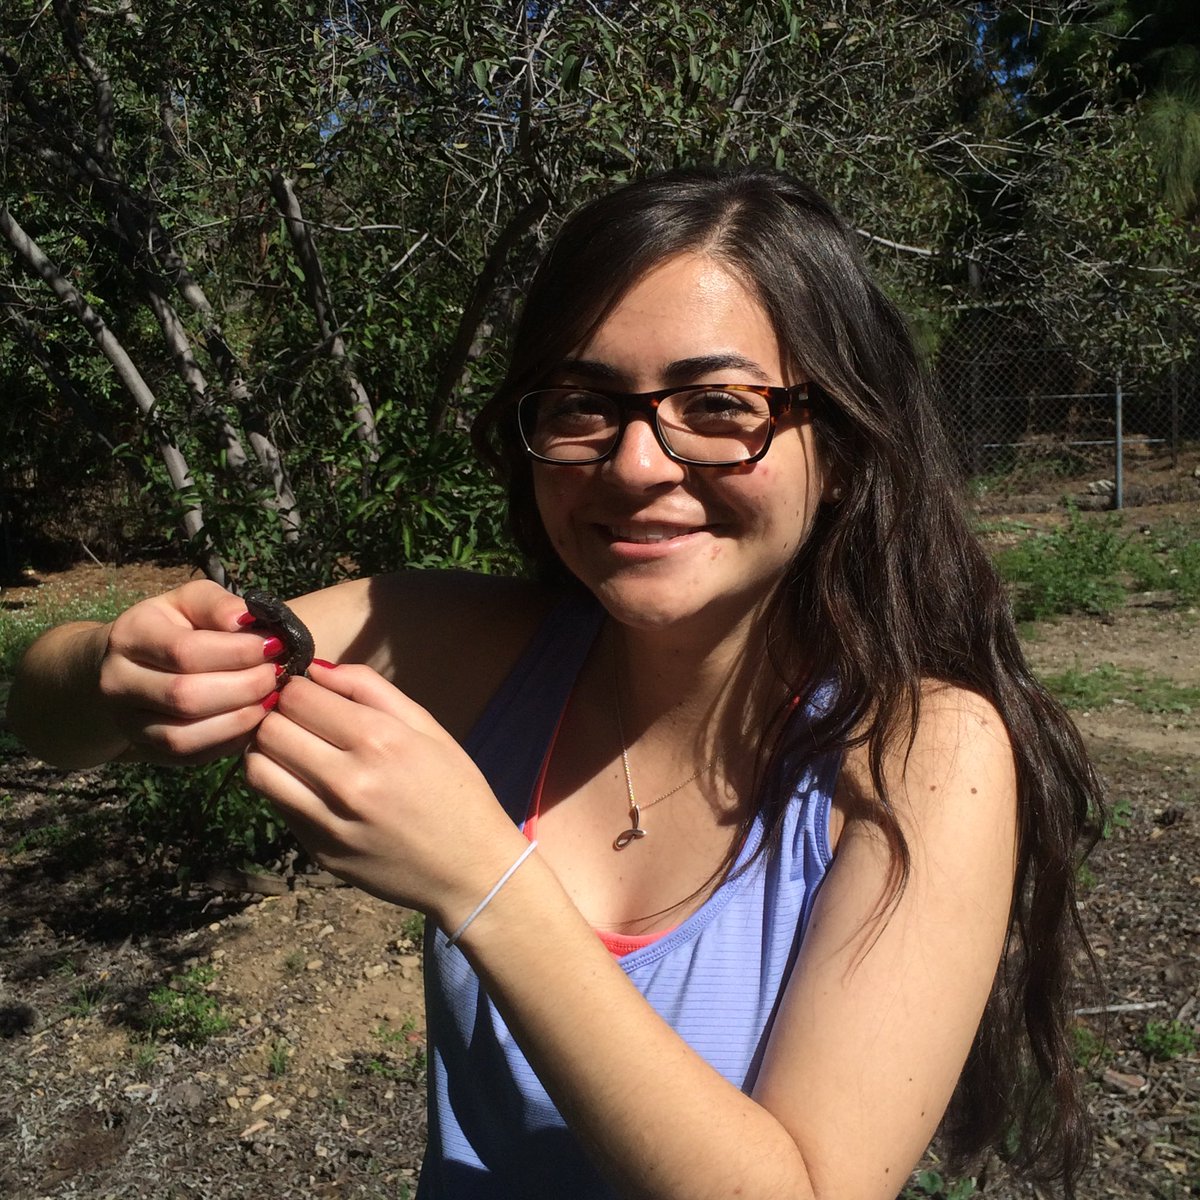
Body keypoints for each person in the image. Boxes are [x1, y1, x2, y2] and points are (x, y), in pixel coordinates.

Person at [8, 166, 1100, 1199]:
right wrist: (115, 675)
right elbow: (39, 712)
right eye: (583, 403)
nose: (636, 463)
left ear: (846, 445)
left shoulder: (922, 755)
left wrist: (486, 882)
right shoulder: (466, 647)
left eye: (719, 405)